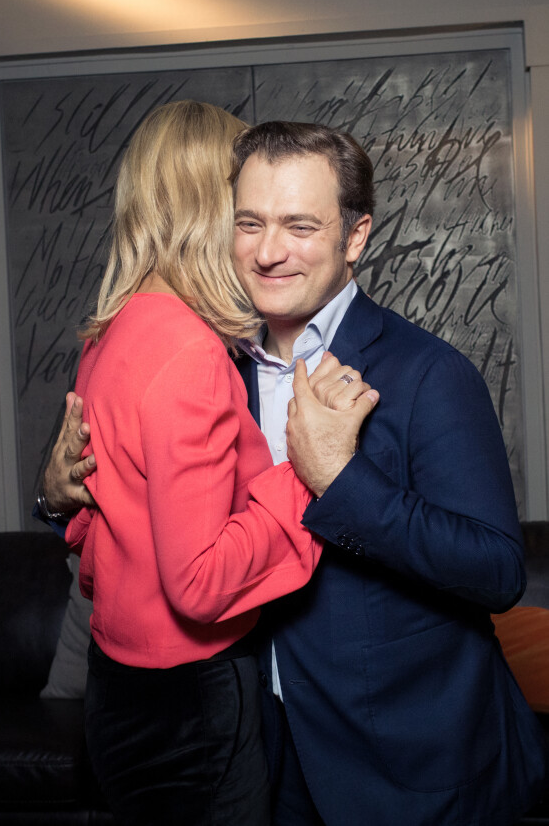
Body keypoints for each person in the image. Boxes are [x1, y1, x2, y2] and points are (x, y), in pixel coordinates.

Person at [39, 119, 547, 826]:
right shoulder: (217, 364)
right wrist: (57, 493)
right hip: (265, 759)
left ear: (355, 237)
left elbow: (497, 571)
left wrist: (341, 480)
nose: (270, 252)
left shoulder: (428, 373)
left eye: (301, 226)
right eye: (250, 223)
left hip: (410, 773)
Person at [50, 101, 379, 826]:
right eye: (246, 206)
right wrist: (306, 467)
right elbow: (197, 584)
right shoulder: (190, 354)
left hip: (119, 688)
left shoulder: (110, 332)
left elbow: (96, 527)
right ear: (214, 205)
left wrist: (61, 500)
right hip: (188, 703)